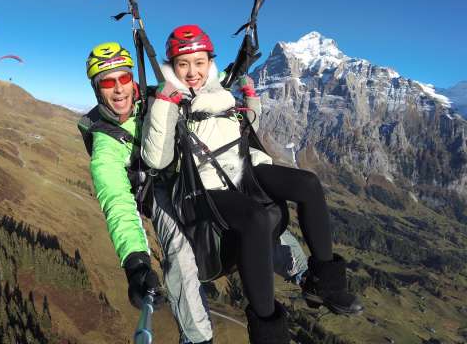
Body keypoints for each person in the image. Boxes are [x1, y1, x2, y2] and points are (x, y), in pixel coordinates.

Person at [141, 25, 363, 344]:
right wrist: (164, 102)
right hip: (201, 188)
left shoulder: (220, 90)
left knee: (308, 184)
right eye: (183, 64)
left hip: (241, 171)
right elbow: (157, 160)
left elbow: (243, 131)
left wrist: (251, 100)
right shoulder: (166, 98)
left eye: (199, 62)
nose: (192, 72)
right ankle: (268, 332)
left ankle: (326, 283)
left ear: (210, 62)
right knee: (256, 218)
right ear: (172, 66)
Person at [80, 41, 308, 344]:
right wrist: (135, 263)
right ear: (97, 89)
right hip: (159, 190)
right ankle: (197, 336)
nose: (119, 89)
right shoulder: (106, 146)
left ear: (132, 78)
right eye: (108, 83)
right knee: (179, 252)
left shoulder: (153, 94)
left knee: (255, 208)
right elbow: (117, 203)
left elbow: (197, 79)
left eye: (123, 78)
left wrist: (236, 69)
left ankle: (302, 271)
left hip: (192, 170)